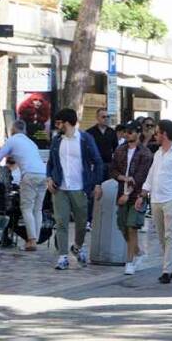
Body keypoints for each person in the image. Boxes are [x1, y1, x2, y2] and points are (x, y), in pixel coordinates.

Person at [46, 108, 103, 270]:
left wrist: (97, 183)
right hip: (60, 187)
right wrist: (49, 178)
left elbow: (97, 161)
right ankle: (63, 256)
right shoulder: (57, 141)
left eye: (59, 123)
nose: (57, 126)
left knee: (81, 223)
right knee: (61, 222)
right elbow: (51, 162)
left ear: (67, 123)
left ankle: (77, 246)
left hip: (80, 187)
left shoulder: (85, 139)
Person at [139, 120, 172, 284]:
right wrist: (143, 193)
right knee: (161, 236)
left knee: (170, 235)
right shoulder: (158, 153)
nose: (155, 135)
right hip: (156, 199)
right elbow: (151, 174)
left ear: (165, 134)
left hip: (171, 199)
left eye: (157, 132)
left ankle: (167, 270)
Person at [109, 122, 152, 275]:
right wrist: (122, 177)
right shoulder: (120, 150)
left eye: (131, 132)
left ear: (138, 133)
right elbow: (112, 169)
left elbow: (141, 177)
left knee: (131, 226)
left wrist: (128, 193)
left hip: (137, 195)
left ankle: (130, 261)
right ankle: (138, 252)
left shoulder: (145, 153)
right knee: (122, 225)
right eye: (126, 132)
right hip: (122, 192)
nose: (127, 135)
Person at [0, 120, 46, 251]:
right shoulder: (31, 142)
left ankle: (32, 240)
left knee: (26, 208)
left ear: (13, 129)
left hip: (29, 175)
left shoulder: (12, 140)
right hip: (43, 174)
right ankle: (35, 238)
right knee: (38, 209)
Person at [86, 107, 116, 226]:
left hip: (108, 165)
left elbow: (115, 149)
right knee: (93, 192)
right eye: (103, 117)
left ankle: (105, 217)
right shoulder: (90, 132)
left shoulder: (111, 132)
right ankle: (90, 219)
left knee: (107, 191)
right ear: (97, 118)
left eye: (108, 117)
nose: (106, 119)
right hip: (95, 165)